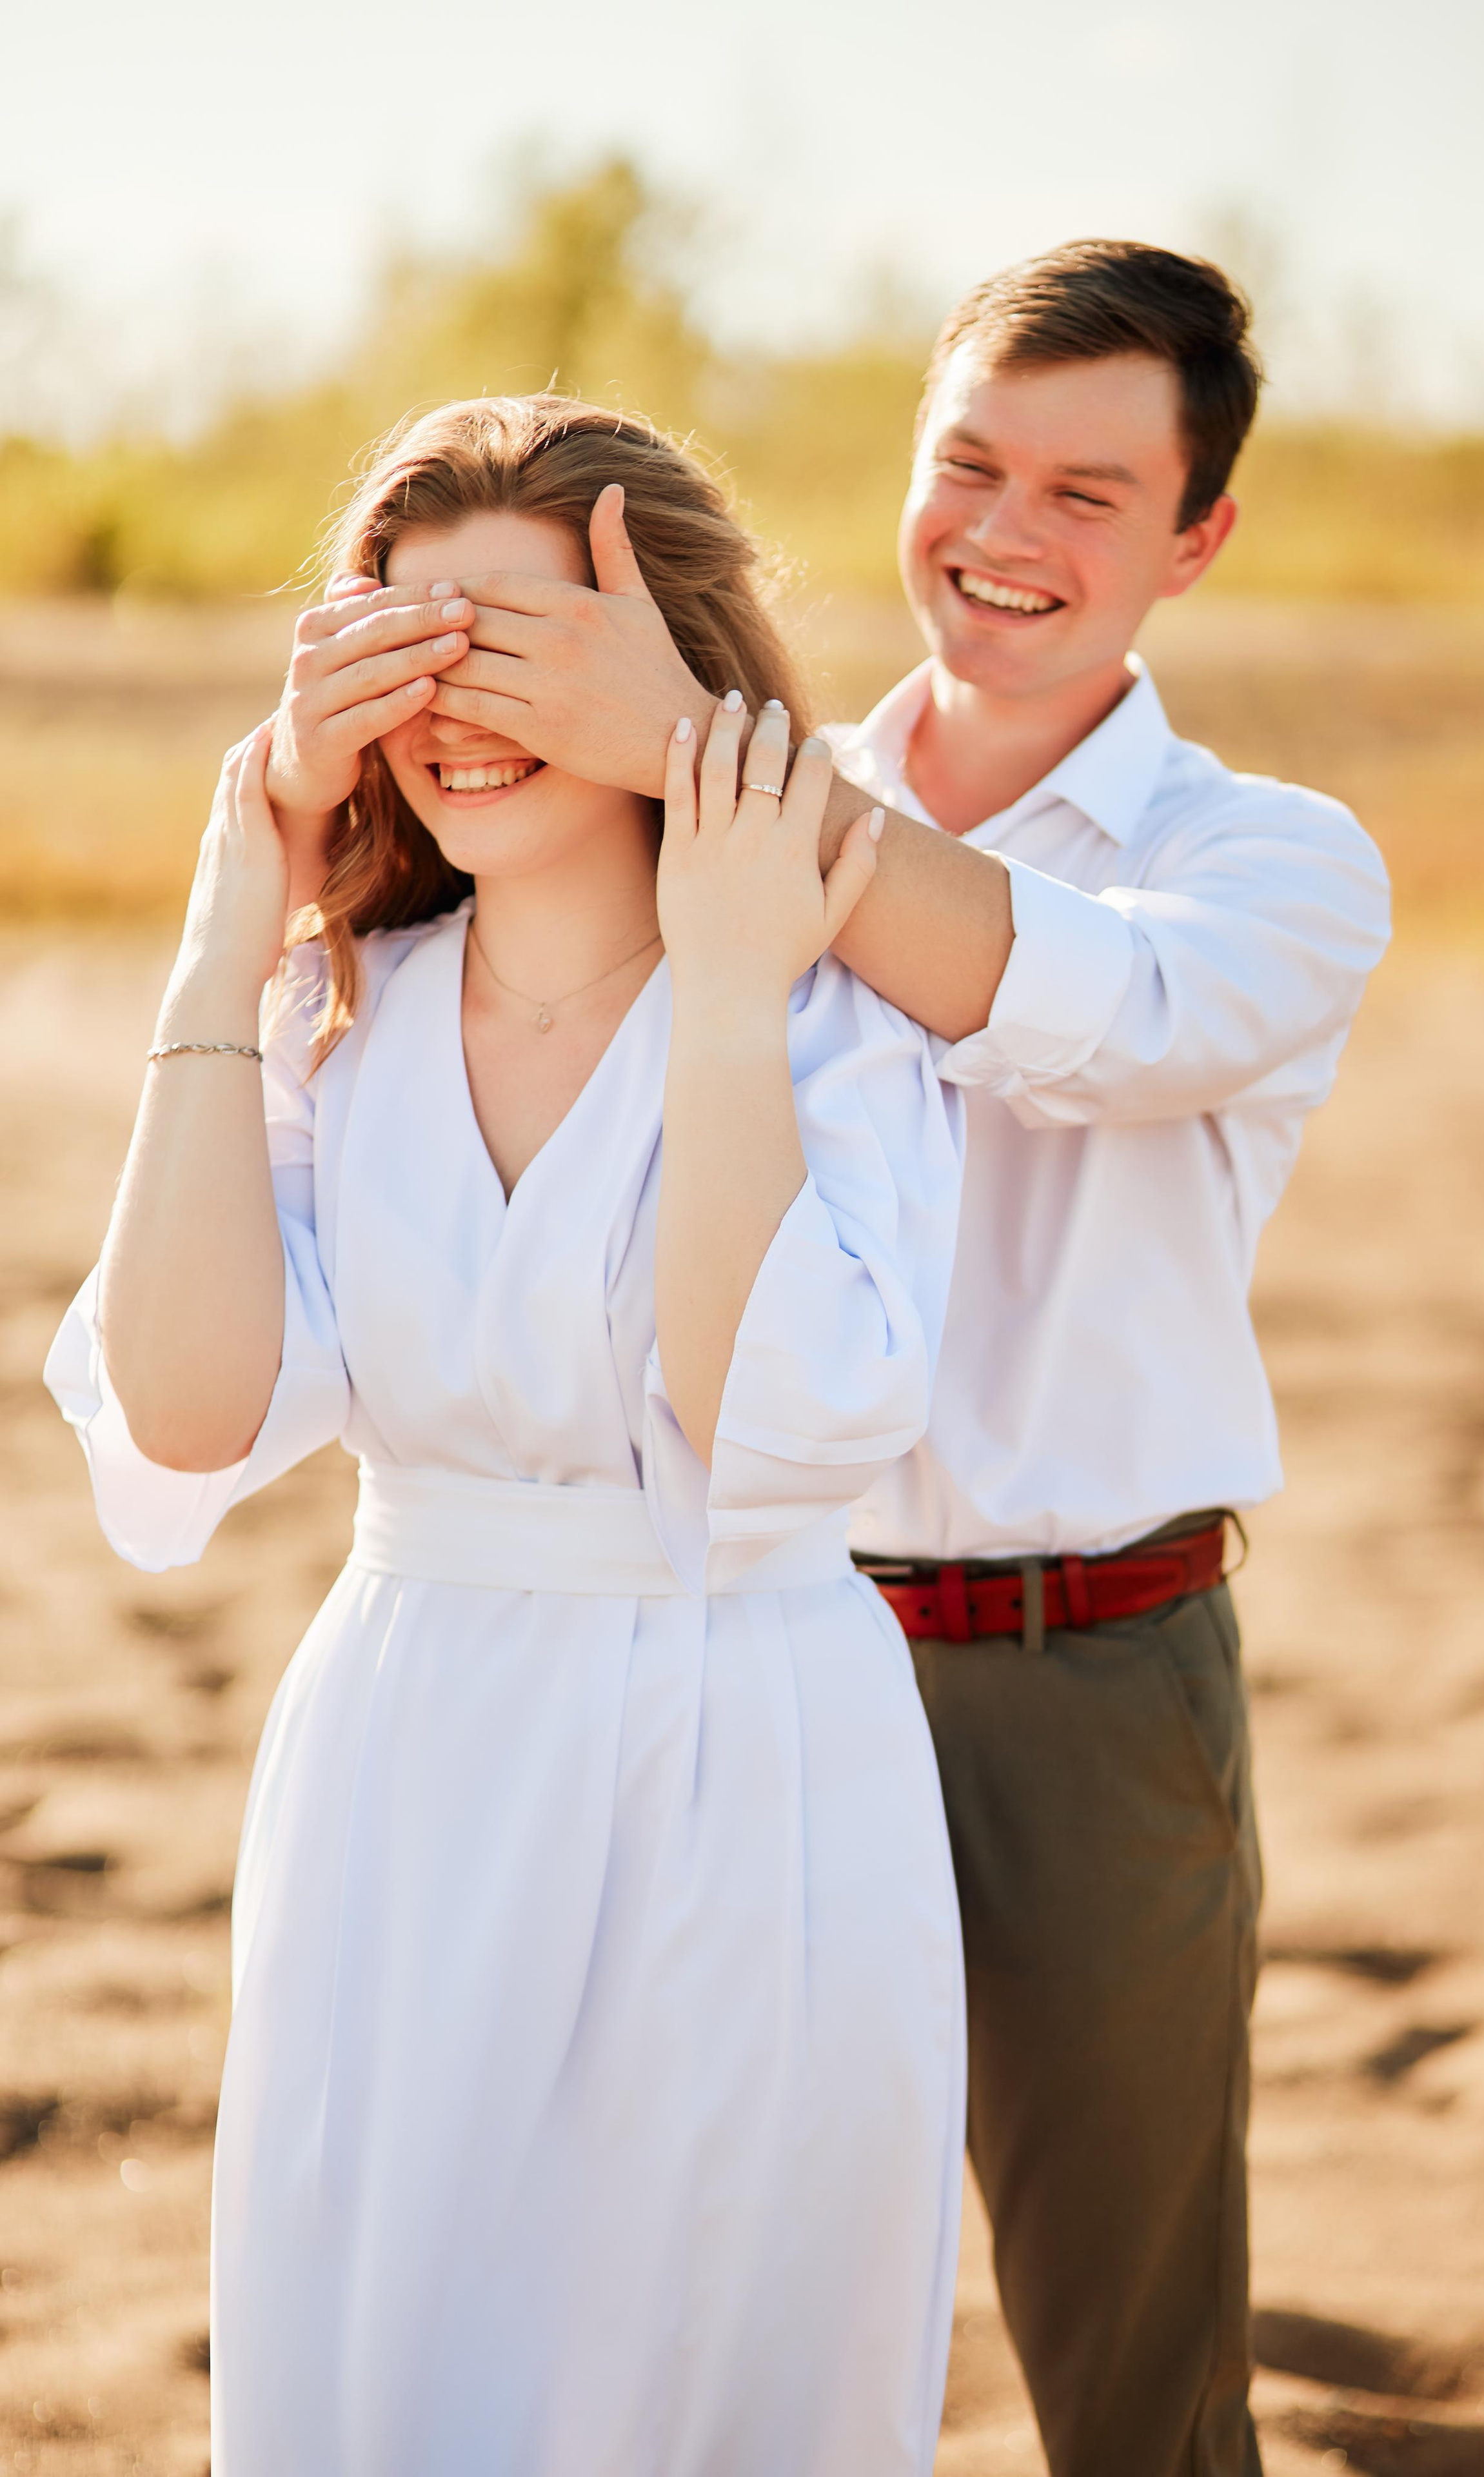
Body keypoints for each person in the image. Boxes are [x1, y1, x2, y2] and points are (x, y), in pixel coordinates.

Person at [369, 242, 1394, 2475]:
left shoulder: (1270, 866)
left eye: (1094, 496)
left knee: (1134, 2381)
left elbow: (1094, 1024)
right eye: (972, 466)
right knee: (678, 2323)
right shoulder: (713, 797)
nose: (1010, 536)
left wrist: (692, 763)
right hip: (728, 1659)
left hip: (1087, 1684)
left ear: (1198, 538)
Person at [46, 395, 969, 2477]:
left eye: (519, 644)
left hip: (755, 1753)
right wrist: (229, 924)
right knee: (389, 2367)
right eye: (403, 642)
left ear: (667, 671)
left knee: (719, 2359)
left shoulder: (841, 1015)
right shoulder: (325, 1020)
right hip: (413, 1765)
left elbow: (773, 1419)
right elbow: (183, 1416)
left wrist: (731, 990)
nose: (454, 704)